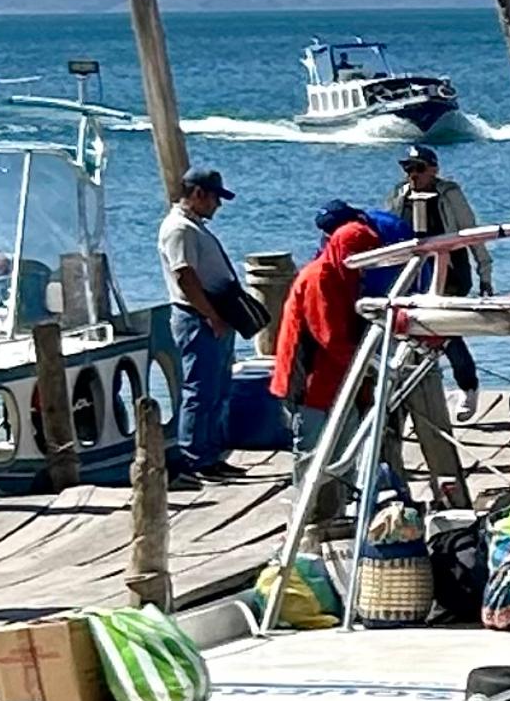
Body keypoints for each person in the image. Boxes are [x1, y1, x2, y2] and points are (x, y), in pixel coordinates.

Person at [154, 162, 251, 485]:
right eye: (214, 197)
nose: (217, 205)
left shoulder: (192, 226)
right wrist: (211, 315)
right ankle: (195, 459)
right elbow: (185, 276)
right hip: (197, 318)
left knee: (218, 389)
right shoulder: (178, 229)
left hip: (213, 316)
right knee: (200, 390)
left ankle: (211, 455)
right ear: (197, 194)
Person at [268, 208, 387, 449]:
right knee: (311, 451)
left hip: (337, 378)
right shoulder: (319, 278)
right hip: (309, 380)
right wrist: (372, 368)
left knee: (346, 447)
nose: (364, 267)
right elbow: (330, 338)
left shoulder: (346, 277)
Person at [388, 142, 484, 393]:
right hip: (414, 272)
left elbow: (472, 232)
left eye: (419, 168)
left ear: (433, 169)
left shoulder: (449, 194)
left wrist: (485, 273)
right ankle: (420, 389)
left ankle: (468, 386)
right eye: (407, 168)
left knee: (445, 329)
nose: (413, 175)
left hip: (450, 272)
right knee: (411, 328)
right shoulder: (400, 194)